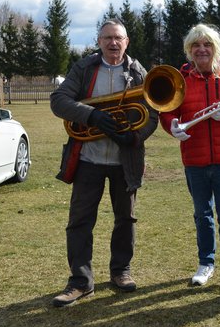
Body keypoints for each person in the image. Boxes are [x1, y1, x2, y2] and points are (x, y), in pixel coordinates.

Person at [50, 18, 158, 307]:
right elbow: (58, 101)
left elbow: (154, 112)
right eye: (107, 37)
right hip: (88, 159)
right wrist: (92, 116)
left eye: (118, 38)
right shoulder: (84, 68)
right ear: (99, 41)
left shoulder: (138, 72)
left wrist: (134, 137)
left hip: (125, 160)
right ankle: (80, 282)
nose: (113, 43)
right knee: (80, 221)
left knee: (126, 219)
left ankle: (121, 271)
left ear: (127, 42)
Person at [160, 23, 220, 295]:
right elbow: (166, 112)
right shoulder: (180, 78)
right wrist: (173, 126)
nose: (201, 49)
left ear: (215, 47)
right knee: (202, 214)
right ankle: (206, 264)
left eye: (207, 44)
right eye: (196, 45)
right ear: (189, 50)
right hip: (194, 159)